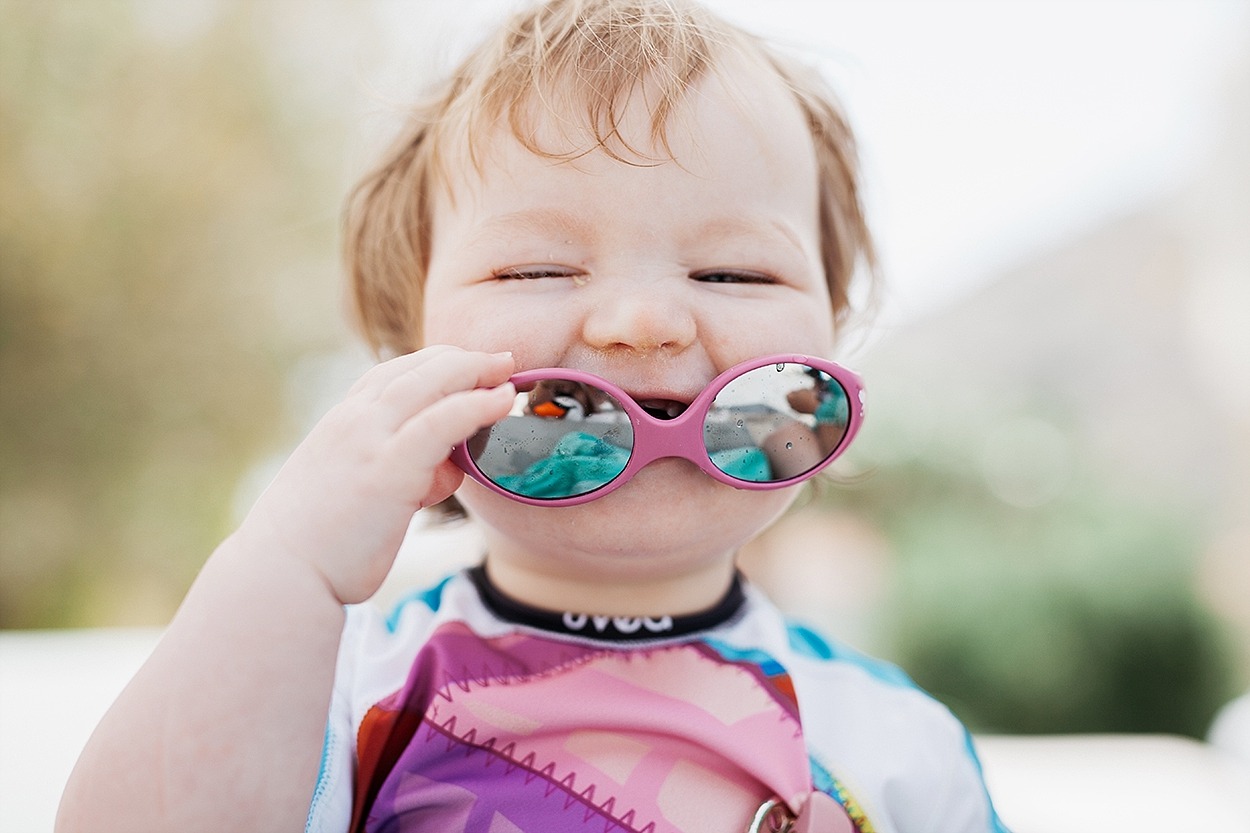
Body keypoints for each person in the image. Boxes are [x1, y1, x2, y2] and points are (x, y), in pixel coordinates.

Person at [57, 1, 1009, 831]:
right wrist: (285, 565)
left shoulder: (898, 750)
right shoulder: (334, 692)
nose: (644, 321)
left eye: (734, 273)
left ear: (827, 358)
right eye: (538, 270)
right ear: (413, 359)